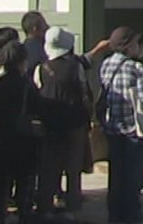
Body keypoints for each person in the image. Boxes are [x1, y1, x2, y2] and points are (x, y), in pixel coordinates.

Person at [97, 28, 143, 224]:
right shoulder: (136, 68)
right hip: (132, 128)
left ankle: (114, 212)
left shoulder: (106, 65)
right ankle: (131, 212)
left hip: (112, 126)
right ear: (128, 45)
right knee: (132, 174)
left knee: (116, 172)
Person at [34, 27, 89, 219]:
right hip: (74, 122)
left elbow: (38, 93)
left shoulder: (41, 68)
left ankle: (46, 207)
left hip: (49, 123)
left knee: (48, 167)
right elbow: (83, 94)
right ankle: (71, 208)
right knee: (73, 169)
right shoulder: (76, 67)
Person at [0, 41, 39, 224]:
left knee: (0, 182)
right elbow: (37, 107)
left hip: (2, 138)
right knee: (25, 180)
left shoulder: (0, 84)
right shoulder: (26, 84)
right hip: (24, 137)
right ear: (22, 61)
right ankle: (24, 212)